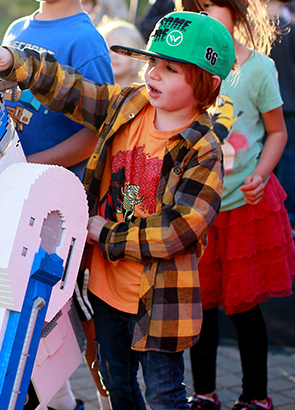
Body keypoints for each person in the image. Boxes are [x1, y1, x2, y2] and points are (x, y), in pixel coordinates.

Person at [0, 10, 236, 410]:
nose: (154, 75)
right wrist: (15, 63)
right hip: (106, 291)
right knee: (116, 384)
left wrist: (105, 234)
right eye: (152, 63)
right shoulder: (130, 104)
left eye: (171, 69)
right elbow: (74, 91)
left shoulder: (203, 149)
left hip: (159, 303)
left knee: (165, 395)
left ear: (207, 85)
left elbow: (179, 229)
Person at [176, 1, 295, 409]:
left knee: (244, 311)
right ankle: (204, 393)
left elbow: (277, 131)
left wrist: (260, 175)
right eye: (199, 8)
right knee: (202, 310)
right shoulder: (186, 70)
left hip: (244, 209)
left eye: (214, 6)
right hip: (198, 212)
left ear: (238, 11)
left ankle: (257, 397)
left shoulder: (259, 69)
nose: (208, 15)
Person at [1, 1, 114, 409]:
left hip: (60, 200)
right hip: (15, 193)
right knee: (28, 306)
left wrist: (30, 165)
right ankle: (62, 401)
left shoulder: (87, 42)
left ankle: (109, 396)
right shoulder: (16, 28)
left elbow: (97, 134)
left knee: (75, 310)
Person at [268, 0, 295, 231]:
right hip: (288, 103)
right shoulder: (291, 28)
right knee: (287, 157)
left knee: (276, 159)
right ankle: (288, 214)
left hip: (268, 105)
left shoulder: (256, 30)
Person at [98, 19, 146, 86]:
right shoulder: (93, 90)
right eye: (108, 49)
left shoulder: (143, 93)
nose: (113, 55)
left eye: (121, 51)